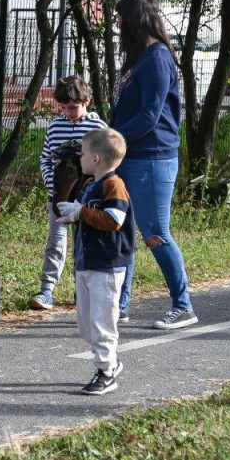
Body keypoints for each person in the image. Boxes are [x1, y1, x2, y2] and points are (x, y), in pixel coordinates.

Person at [112, 0, 197, 330]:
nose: (117, 23)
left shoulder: (159, 58)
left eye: (120, 17)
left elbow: (150, 116)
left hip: (153, 158)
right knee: (125, 231)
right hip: (131, 156)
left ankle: (184, 305)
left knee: (156, 232)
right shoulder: (138, 57)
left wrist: (112, 138)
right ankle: (121, 305)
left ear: (134, 19)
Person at [55, 129, 134, 395]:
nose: (80, 157)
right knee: (86, 324)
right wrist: (70, 213)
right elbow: (82, 213)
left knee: (102, 322)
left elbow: (114, 220)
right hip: (85, 262)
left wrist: (81, 212)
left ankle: (106, 371)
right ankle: (111, 361)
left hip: (107, 265)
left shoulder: (114, 186)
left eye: (84, 153)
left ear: (97, 158)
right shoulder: (89, 186)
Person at [28, 76, 107, 311]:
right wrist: (52, 185)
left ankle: (81, 290)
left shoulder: (98, 128)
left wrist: (94, 190)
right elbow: (46, 157)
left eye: (72, 107)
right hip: (60, 196)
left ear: (87, 101)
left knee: (83, 243)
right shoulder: (55, 126)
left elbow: (104, 163)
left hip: (86, 199)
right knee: (55, 242)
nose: (68, 113)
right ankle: (46, 290)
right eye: (63, 108)